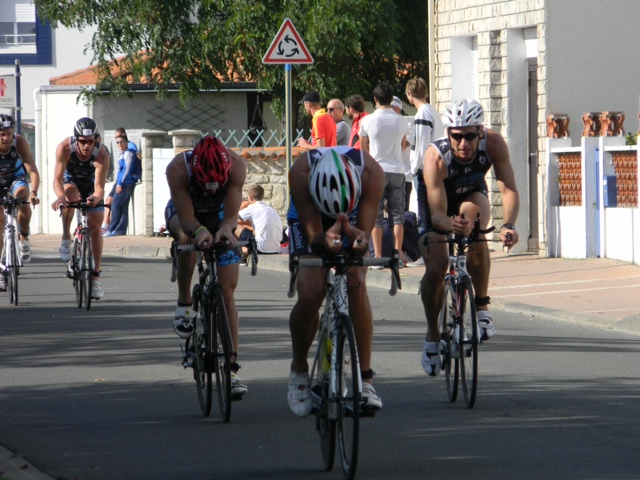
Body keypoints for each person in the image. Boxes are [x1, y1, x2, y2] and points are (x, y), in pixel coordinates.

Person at [418, 99, 519, 376]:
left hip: (471, 193)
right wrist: (450, 224)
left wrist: (508, 224)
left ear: (481, 132)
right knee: (437, 267)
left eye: (471, 136)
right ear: (448, 134)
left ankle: (482, 307)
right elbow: (438, 214)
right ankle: (432, 335)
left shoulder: (494, 144)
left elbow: (509, 189)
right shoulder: (435, 156)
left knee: (476, 227)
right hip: (436, 203)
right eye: (457, 137)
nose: (464, 144)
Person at [286, 146, 384, 417]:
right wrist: (321, 239)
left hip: (353, 213)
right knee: (311, 292)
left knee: (356, 284)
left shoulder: (372, 173)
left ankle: (366, 382)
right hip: (309, 216)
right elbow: (314, 236)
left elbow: (362, 240)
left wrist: (359, 240)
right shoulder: (301, 173)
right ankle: (299, 370)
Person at [165, 134, 248, 399]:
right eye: (206, 184)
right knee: (188, 238)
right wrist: (200, 230)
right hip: (186, 213)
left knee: (227, 293)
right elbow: (188, 218)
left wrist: (225, 229)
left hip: (220, 213)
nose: (212, 188)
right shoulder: (178, 169)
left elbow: (232, 215)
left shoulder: (236, 165)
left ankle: (232, 370)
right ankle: (185, 301)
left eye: (217, 184)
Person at [51, 117, 110, 300]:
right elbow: (57, 179)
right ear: (76, 139)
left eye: (90, 142)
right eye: (82, 142)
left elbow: (100, 187)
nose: (86, 147)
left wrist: (96, 198)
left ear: (95, 140)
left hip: (91, 184)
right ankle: (66, 237)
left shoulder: (101, 154)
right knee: (71, 197)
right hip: (71, 181)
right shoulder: (65, 148)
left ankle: (95, 277)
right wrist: (60, 197)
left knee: (95, 226)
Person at [359, 83, 407, 268]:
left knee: (376, 215)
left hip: (376, 170)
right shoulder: (401, 120)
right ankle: (397, 255)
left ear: (376, 100)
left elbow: (363, 144)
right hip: (397, 169)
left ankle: (377, 257)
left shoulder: (368, 120)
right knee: (397, 215)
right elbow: (403, 144)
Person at [404, 77, 444, 268]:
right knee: (432, 212)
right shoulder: (432, 112)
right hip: (435, 167)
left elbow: (421, 145)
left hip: (423, 169)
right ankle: (433, 252)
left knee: (423, 214)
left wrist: (415, 168)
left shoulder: (421, 115)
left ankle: (424, 253)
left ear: (409, 94)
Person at [0, 114, 40, 290]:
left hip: (15, 178)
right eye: (1, 134)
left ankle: (23, 235)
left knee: (22, 198)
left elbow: (33, 171)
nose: (5, 138)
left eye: (8, 133)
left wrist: (33, 192)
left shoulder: (20, 142)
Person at [103, 128, 140, 237]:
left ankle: (113, 228)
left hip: (126, 183)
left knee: (115, 204)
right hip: (124, 183)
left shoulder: (128, 153)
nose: (119, 144)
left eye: (121, 142)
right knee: (123, 207)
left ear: (126, 142)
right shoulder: (123, 153)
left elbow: (126, 169)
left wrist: (120, 183)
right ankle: (120, 230)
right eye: (117, 142)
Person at [236, 184, 283, 262]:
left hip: (260, 249)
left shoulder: (253, 208)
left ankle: (239, 254)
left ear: (250, 197)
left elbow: (233, 218)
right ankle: (243, 251)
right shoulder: (272, 210)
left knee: (234, 225)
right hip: (276, 249)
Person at [391, 96, 413, 213]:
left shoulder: (406, 125)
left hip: (404, 176)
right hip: (390, 174)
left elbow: (402, 146)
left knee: (402, 214)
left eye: (391, 108)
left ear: (398, 109)